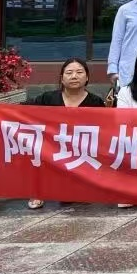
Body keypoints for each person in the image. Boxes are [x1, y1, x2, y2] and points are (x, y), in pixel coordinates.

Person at [27, 56, 106, 208]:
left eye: (79, 72)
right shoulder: (47, 98)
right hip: (52, 149)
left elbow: (103, 133)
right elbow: (21, 111)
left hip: (81, 153)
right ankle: (38, 191)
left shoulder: (96, 102)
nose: (74, 76)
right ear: (62, 78)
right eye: (69, 73)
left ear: (87, 77)